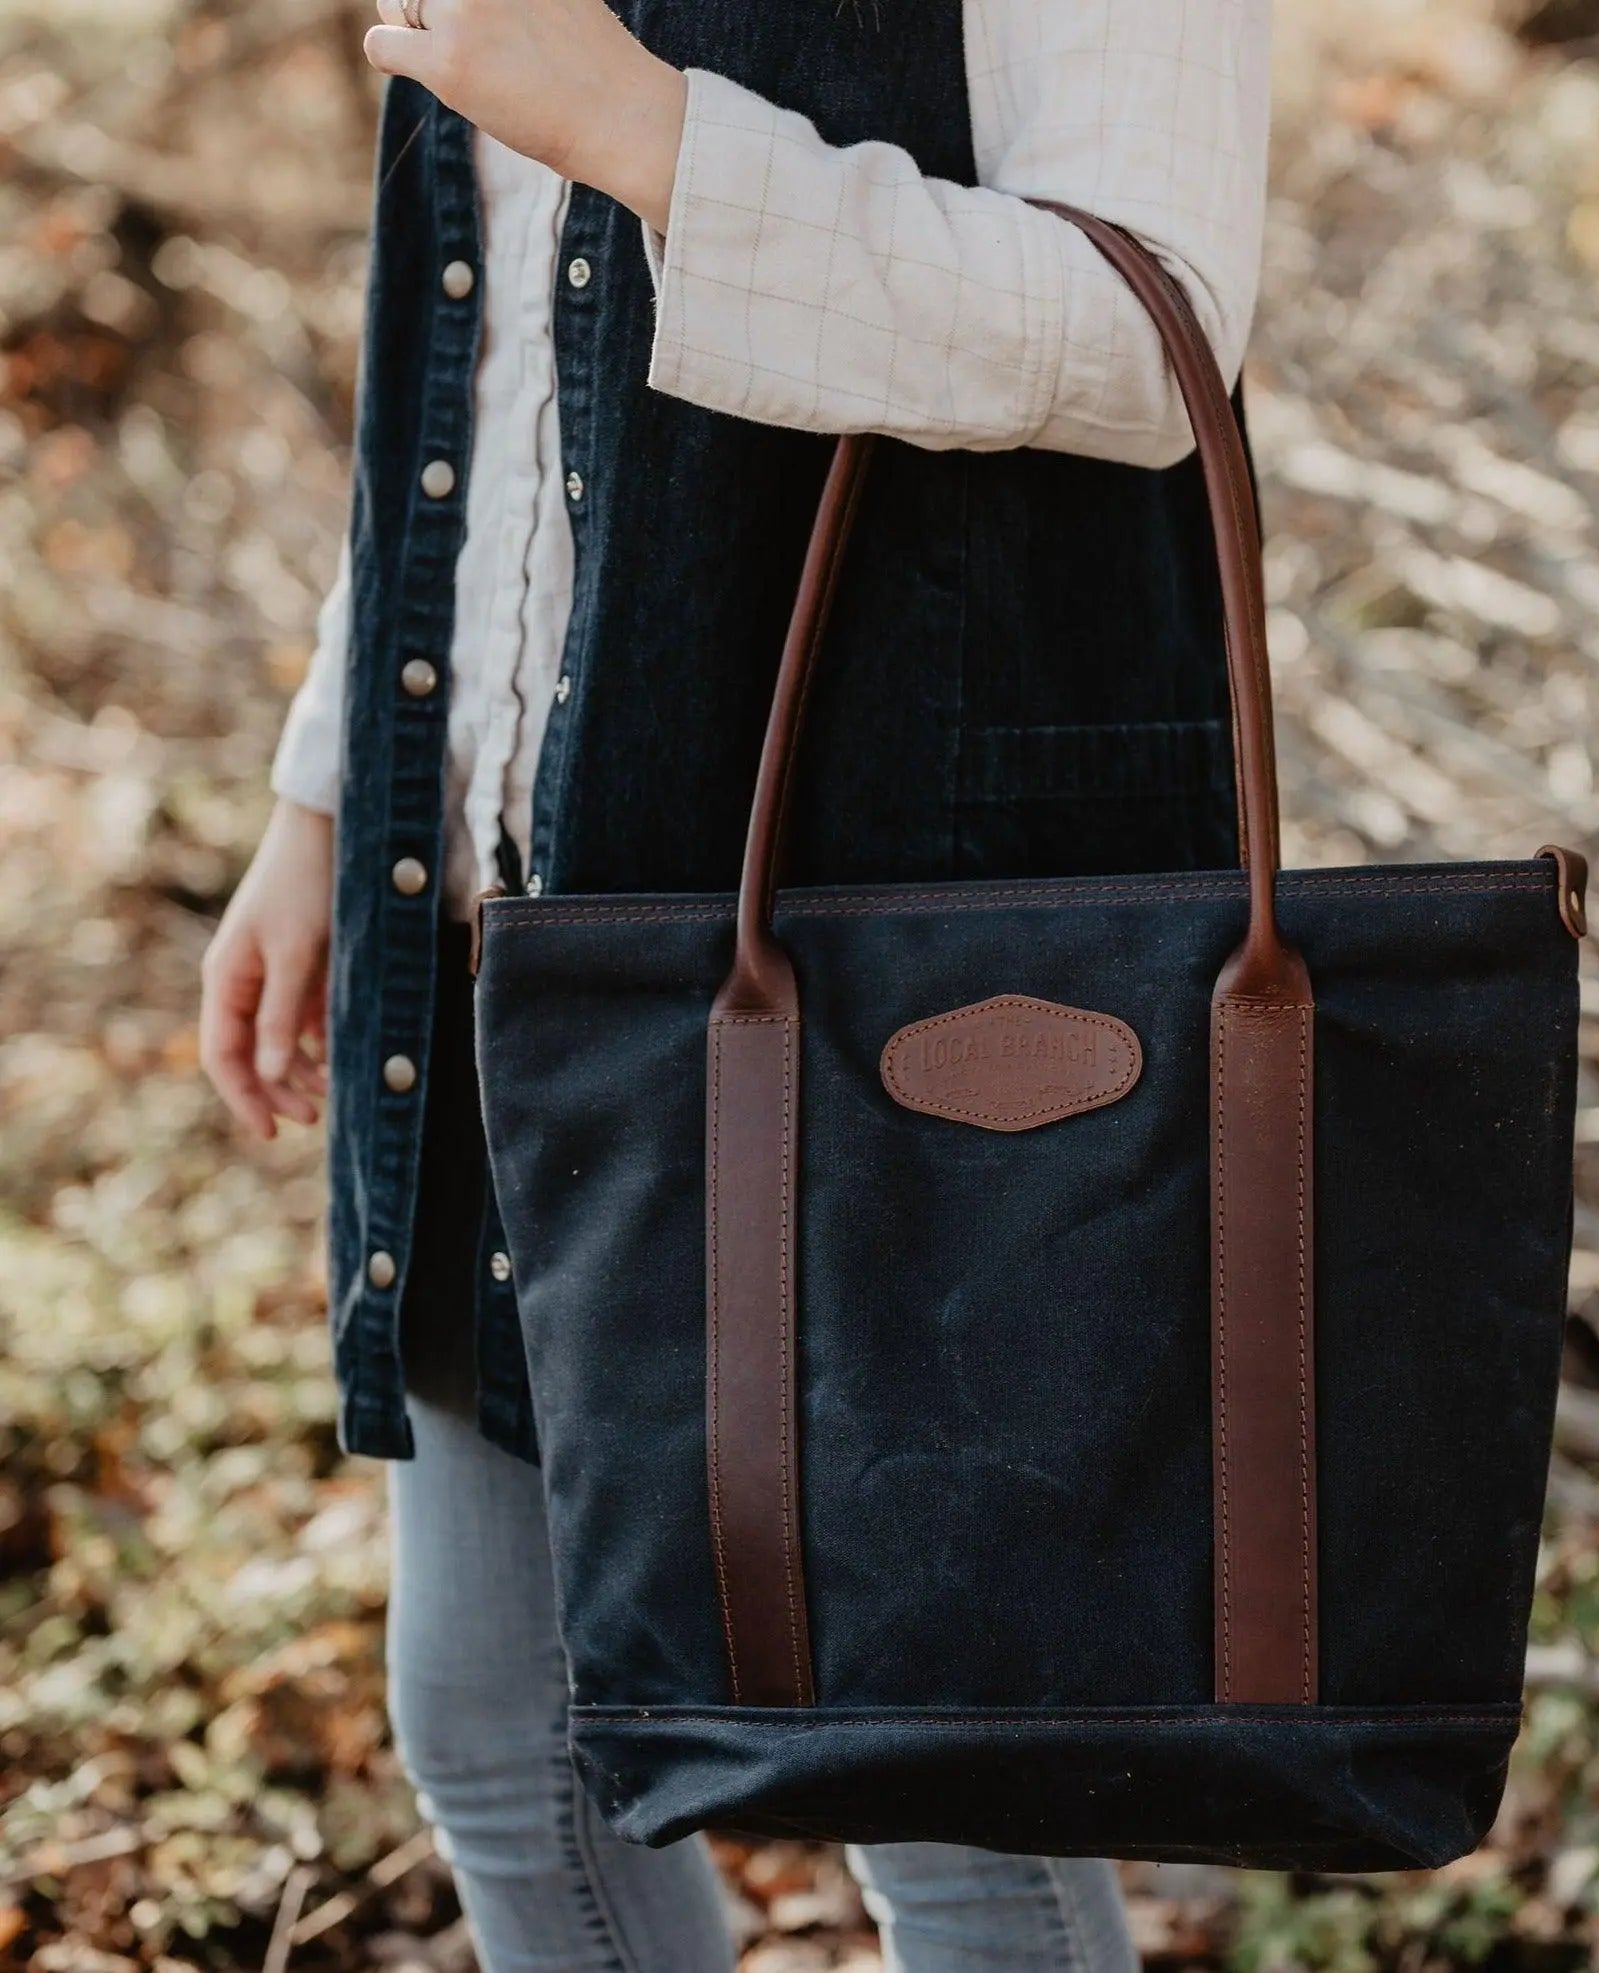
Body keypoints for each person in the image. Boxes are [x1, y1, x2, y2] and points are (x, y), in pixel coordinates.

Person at [199, 0, 1270, 1966]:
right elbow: (490, 350)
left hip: (888, 945)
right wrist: (334, 785)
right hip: (510, 935)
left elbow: (1157, 332)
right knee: (509, 1745)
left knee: (925, 1773)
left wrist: (663, 142)